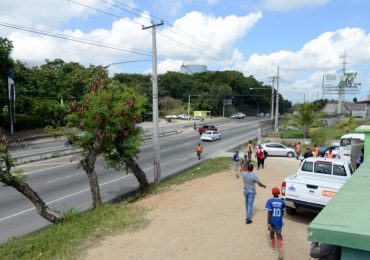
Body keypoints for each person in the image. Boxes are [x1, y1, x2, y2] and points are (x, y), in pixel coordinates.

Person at [265, 187, 286, 259]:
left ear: (272, 194)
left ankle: (274, 248)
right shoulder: (282, 202)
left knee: (272, 233)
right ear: (278, 194)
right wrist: (280, 218)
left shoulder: (270, 201)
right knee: (279, 234)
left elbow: (269, 213)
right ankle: (281, 248)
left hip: (272, 221)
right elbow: (282, 212)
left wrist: (268, 223)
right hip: (279, 221)